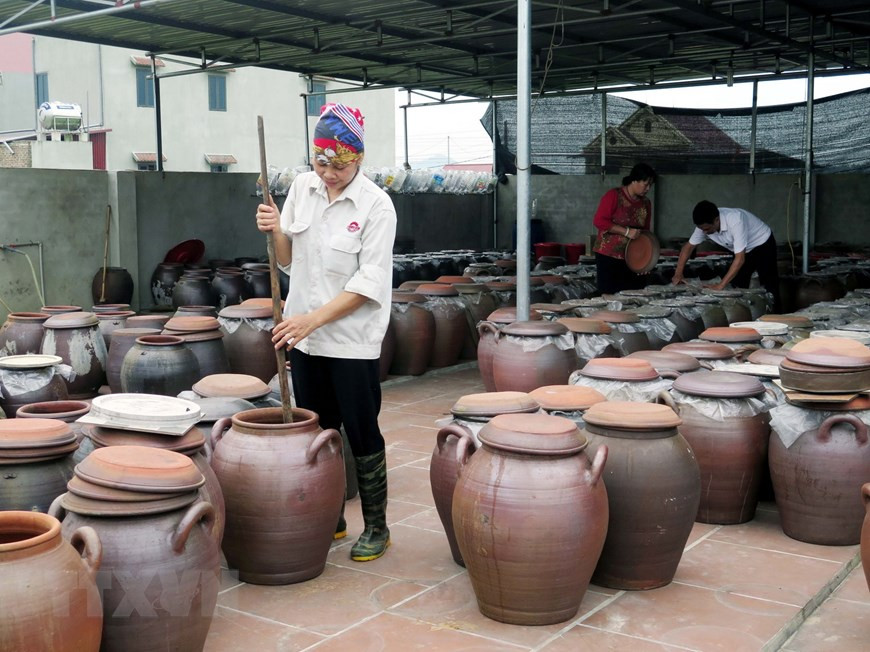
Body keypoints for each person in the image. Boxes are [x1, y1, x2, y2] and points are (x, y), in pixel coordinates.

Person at [255, 103, 397, 562]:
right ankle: (330, 514)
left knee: (361, 430)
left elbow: (367, 285)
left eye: (339, 164)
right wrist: (275, 227)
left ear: (358, 157)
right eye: (321, 162)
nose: (329, 173)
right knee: (320, 429)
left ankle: (377, 525)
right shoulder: (302, 187)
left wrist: (309, 320)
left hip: (351, 341)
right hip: (306, 337)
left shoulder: (377, 205)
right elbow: (289, 260)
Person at [671, 200, 781, 312]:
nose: (704, 232)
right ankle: (743, 316)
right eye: (701, 229)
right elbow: (688, 248)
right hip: (742, 248)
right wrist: (678, 273)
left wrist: (721, 285)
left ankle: (776, 317)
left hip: (762, 243)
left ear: (717, 220)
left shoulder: (735, 220)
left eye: (707, 229)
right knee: (737, 287)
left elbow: (740, 259)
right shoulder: (703, 226)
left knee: (769, 285)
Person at [592, 163, 657, 294]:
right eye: (646, 184)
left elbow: (645, 232)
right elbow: (599, 221)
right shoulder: (614, 195)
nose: (648, 188)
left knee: (633, 294)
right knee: (609, 294)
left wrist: (646, 261)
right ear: (634, 180)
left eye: (650, 185)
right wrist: (626, 232)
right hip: (609, 256)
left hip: (633, 258)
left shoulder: (646, 203)